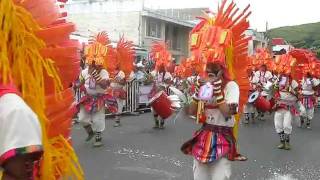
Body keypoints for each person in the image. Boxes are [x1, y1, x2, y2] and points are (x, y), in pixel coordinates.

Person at [273, 72, 299, 150]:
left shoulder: (293, 82)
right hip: (279, 106)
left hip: (288, 107)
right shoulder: (278, 79)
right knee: (278, 124)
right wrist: (277, 82)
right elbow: (274, 90)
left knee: (287, 125)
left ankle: (287, 142)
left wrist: (291, 90)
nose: (284, 73)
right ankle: (282, 142)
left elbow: (298, 94)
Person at [150, 65, 173, 129]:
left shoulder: (167, 74)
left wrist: (163, 83)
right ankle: (156, 123)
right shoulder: (154, 73)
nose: (160, 67)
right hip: (155, 94)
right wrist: (150, 79)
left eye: (162, 66)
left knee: (162, 108)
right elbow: (149, 80)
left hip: (163, 94)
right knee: (154, 109)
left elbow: (170, 81)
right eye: (159, 66)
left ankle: (162, 124)